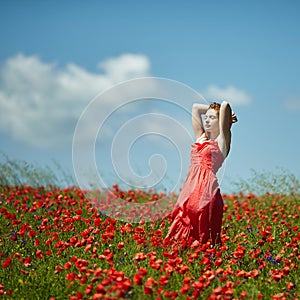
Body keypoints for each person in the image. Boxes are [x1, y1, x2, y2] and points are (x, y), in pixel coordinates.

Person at [165, 101, 237, 248]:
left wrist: (227, 116)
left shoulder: (222, 140)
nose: (207, 120)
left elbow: (224, 105)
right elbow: (196, 108)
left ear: (221, 121)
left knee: (203, 237)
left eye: (212, 118)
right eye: (207, 117)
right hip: (189, 190)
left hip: (206, 192)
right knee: (181, 234)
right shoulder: (201, 138)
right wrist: (211, 109)